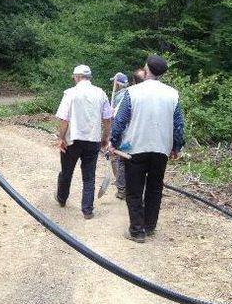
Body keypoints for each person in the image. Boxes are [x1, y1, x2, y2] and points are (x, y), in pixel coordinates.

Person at [109, 55, 185, 243]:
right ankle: (149, 226)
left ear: (146, 70)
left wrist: (114, 142)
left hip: (135, 148)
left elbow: (120, 121)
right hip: (161, 149)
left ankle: (136, 230)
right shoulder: (172, 94)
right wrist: (176, 146)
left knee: (134, 190)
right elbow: (178, 125)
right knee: (155, 188)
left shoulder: (133, 92)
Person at [55, 65, 113, 219]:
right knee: (89, 176)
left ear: (78, 76)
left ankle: (61, 198)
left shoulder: (71, 93)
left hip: (72, 139)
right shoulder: (100, 93)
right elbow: (107, 119)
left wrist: (61, 138)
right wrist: (105, 138)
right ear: (89, 77)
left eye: (74, 77)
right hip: (92, 140)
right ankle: (87, 210)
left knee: (66, 171)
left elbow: (64, 119)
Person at [109, 72, 129, 200]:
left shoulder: (119, 97)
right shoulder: (130, 94)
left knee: (116, 158)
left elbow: (116, 118)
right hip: (130, 133)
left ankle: (121, 187)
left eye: (114, 82)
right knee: (124, 160)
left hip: (121, 132)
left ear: (118, 84)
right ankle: (123, 185)